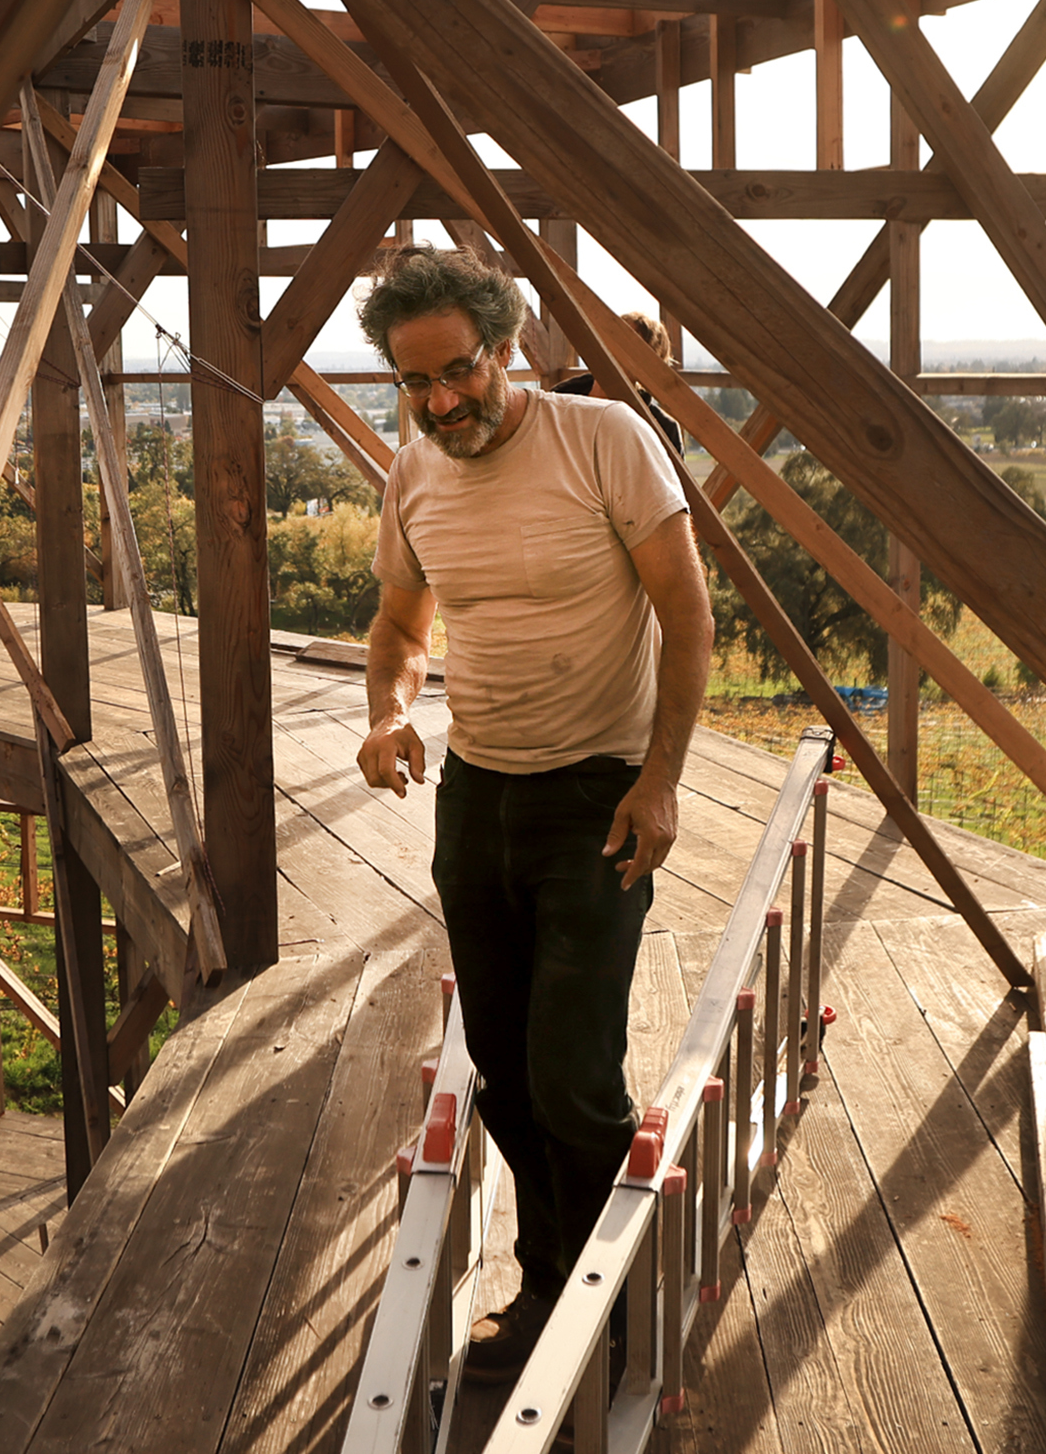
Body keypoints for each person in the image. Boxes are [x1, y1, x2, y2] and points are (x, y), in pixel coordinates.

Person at [353, 245, 712, 1381]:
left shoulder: (603, 441)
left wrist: (662, 779)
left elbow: (690, 618)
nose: (442, 400)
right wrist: (385, 712)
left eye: (458, 370)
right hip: (480, 792)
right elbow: (401, 630)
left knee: (572, 1072)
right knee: (505, 1067)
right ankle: (555, 1275)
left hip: (595, 793)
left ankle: (613, 1286)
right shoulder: (413, 472)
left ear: (507, 348)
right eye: (416, 383)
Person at [546, 308, 686, 454]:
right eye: (614, 340)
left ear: (649, 364)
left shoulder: (663, 429)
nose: (616, 353)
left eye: (630, 349)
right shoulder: (560, 398)